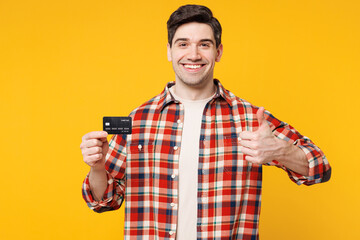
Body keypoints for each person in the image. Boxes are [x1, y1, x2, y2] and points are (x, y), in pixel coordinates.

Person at [80, 4, 331, 239]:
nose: (193, 54)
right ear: (169, 51)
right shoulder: (139, 119)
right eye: (183, 44)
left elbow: (319, 168)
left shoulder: (249, 118)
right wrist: (98, 168)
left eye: (204, 44)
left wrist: (281, 150)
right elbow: (104, 201)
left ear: (218, 52)